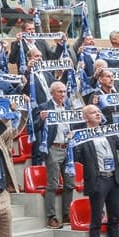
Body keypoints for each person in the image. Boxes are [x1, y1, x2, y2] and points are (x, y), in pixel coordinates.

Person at [75, 105, 119, 237]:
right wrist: (72, 142)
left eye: (98, 112)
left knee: (114, 218)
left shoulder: (107, 131)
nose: (98, 114)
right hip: (98, 181)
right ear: (85, 117)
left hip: (113, 179)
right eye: (93, 112)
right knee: (96, 221)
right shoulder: (82, 136)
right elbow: (76, 157)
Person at [34, 81, 81, 229]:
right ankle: (51, 217)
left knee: (70, 183)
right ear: (52, 93)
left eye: (64, 92)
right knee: (53, 184)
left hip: (68, 149)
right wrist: (41, 119)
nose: (63, 94)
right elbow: (34, 127)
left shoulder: (68, 107)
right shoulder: (44, 107)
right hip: (53, 147)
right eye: (60, 92)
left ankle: (67, 214)